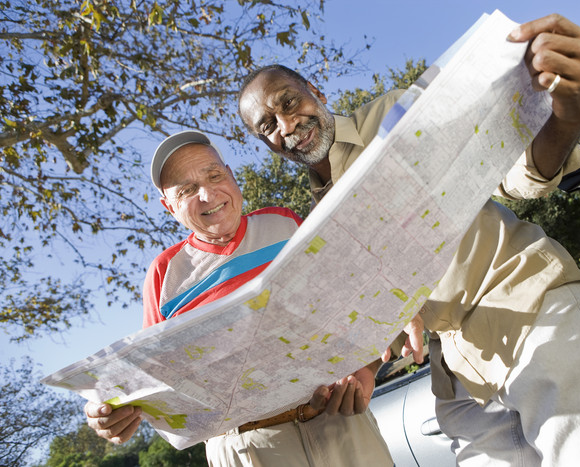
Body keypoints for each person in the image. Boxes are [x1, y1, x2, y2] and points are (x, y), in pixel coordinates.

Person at [237, 14, 580, 466]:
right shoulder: (316, 224)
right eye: (267, 127)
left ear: (317, 91)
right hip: (458, 377)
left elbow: (508, 171)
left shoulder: (396, 114)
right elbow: (381, 310)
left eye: (288, 103)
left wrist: (567, 119)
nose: (286, 125)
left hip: (534, 315)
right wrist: (366, 366)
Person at [84, 130, 394, 466]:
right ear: (168, 206)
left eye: (214, 176)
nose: (207, 194)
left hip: (338, 421)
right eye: (186, 190)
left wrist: (365, 368)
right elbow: (149, 378)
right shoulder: (164, 275)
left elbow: (348, 301)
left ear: (231, 175)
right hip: (247, 449)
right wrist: (107, 410)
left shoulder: (284, 223)